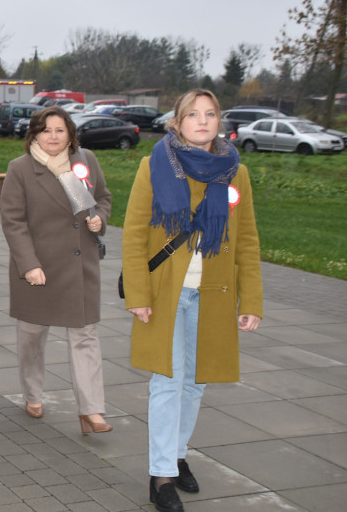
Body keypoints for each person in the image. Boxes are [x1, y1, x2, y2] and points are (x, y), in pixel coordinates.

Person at [122, 89, 262, 512]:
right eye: (193, 114)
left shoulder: (236, 173)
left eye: (210, 113)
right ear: (177, 122)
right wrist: (138, 294)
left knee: (196, 382)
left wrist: (251, 300)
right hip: (166, 292)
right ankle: (161, 475)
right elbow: (134, 234)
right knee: (167, 382)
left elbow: (247, 241)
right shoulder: (154, 165)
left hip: (214, 294)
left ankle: (177, 453)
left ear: (219, 120)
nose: (202, 121)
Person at [0, 106, 113, 434]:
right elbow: (13, 221)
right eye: (45, 130)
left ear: (70, 134)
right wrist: (29, 264)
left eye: (59, 130)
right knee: (32, 337)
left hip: (79, 266)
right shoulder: (20, 169)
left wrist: (99, 218)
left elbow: (103, 198)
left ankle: (91, 410)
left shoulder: (86, 160)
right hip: (39, 268)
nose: (53, 136)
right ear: (34, 134)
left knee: (85, 336)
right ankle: (32, 393)